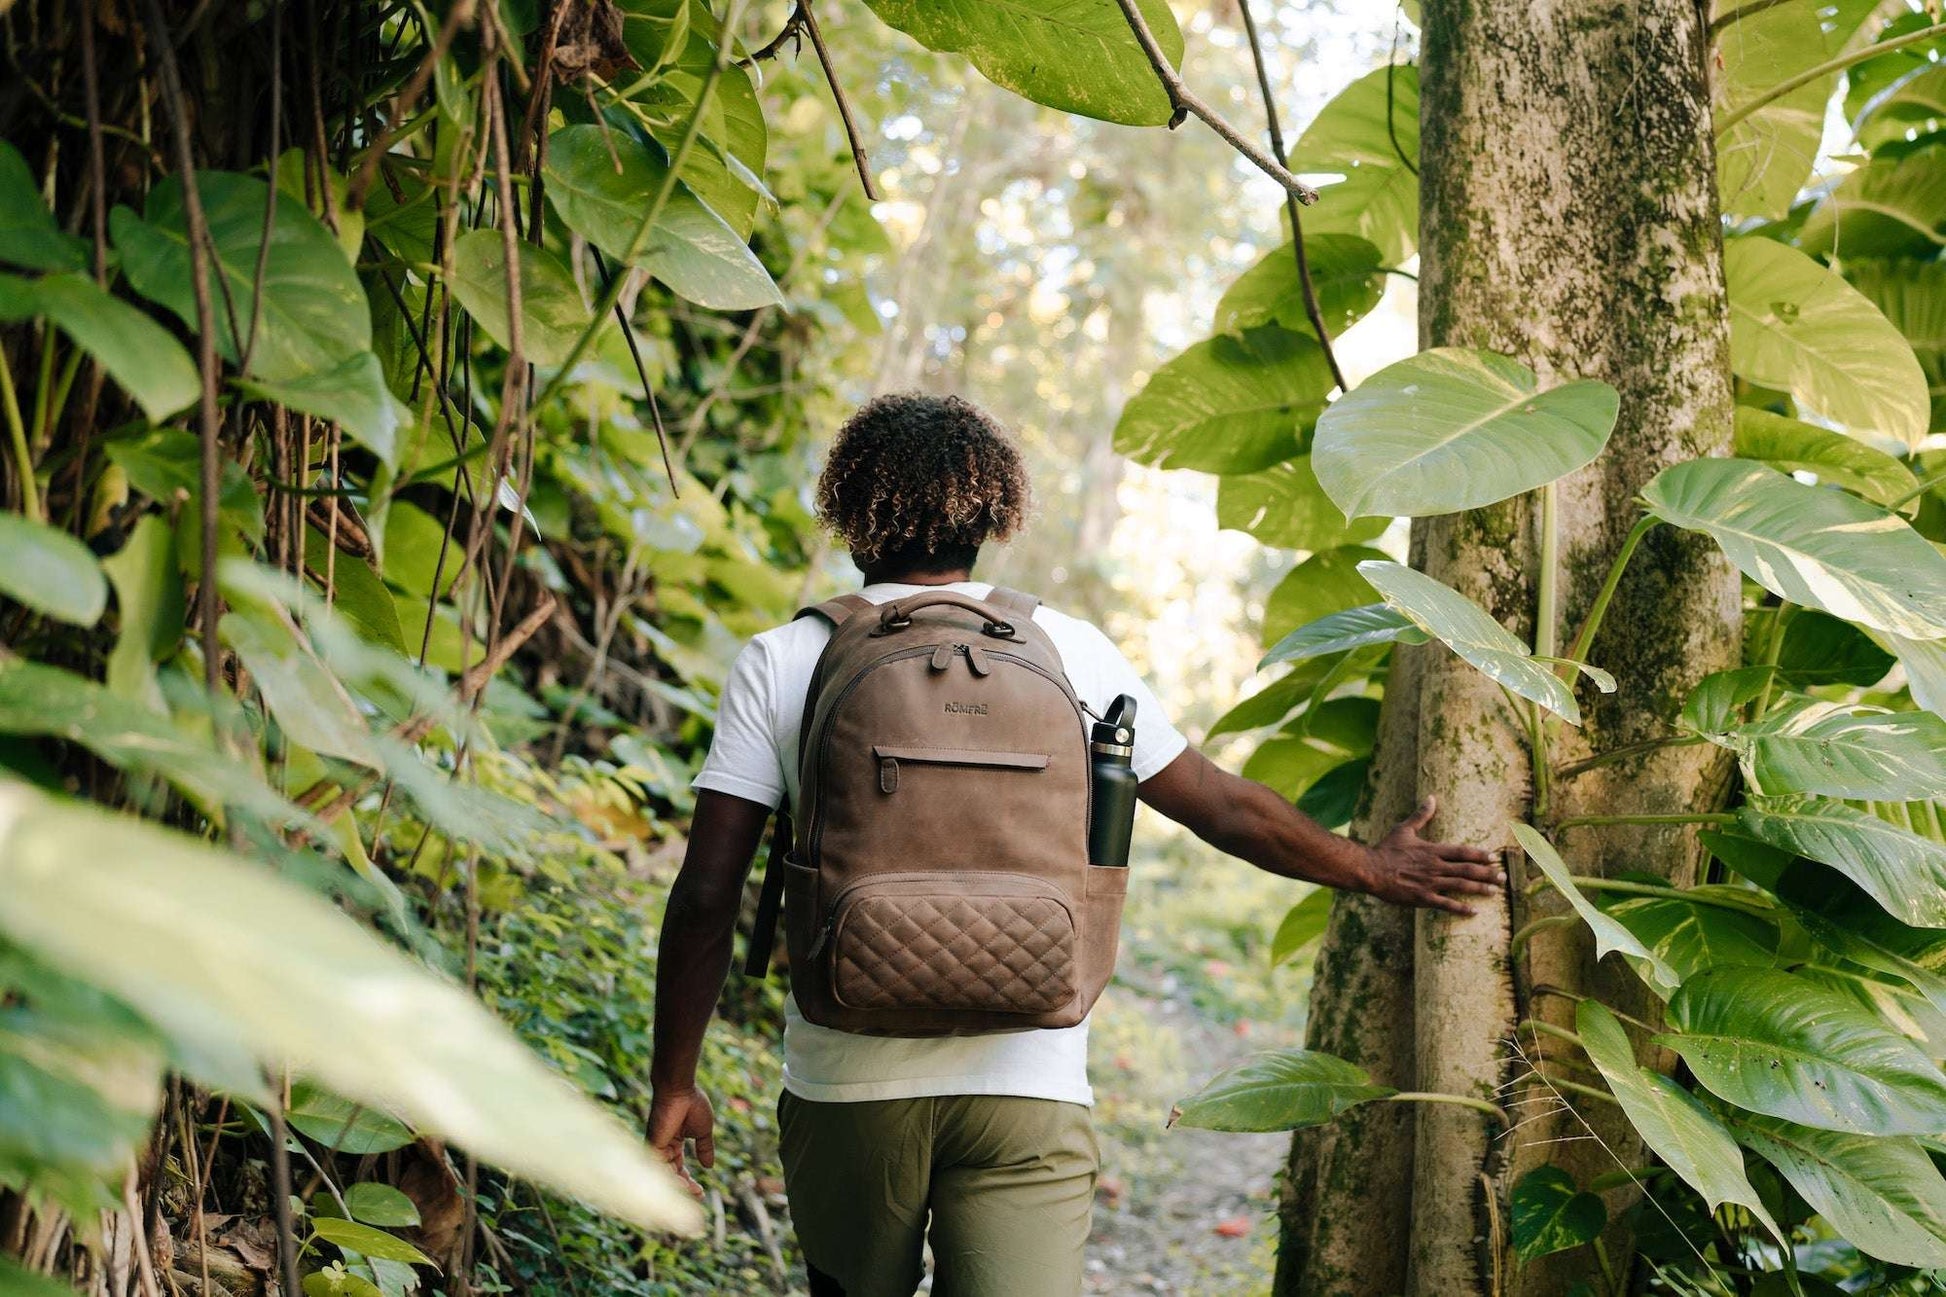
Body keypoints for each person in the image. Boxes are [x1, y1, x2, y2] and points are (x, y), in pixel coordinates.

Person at [646, 393, 1504, 1297]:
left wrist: (675, 1082)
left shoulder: (786, 657)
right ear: (991, 516)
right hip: (1033, 1080)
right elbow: (1217, 804)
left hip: (850, 1086)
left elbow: (707, 893)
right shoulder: (1069, 649)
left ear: (852, 515)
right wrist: (1373, 864)